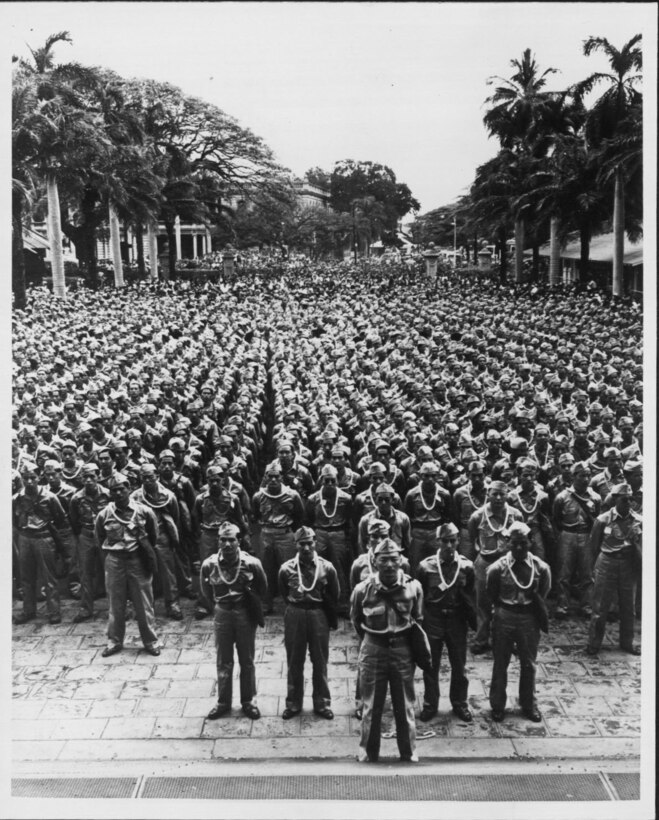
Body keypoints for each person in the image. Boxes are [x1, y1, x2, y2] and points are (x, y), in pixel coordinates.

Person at [350, 537, 423, 763]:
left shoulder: (413, 587)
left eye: (394, 559)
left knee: (405, 706)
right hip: (373, 649)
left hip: (402, 650)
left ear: (401, 560)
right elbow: (356, 620)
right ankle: (368, 753)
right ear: (375, 561)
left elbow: (418, 618)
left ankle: (408, 753)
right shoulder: (363, 589)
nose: (390, 565)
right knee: (371, 706)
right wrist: (374, 640)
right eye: (384, 560)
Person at [201, 522, 268, 720]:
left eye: (232, 540)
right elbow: (205, 592)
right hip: (222, 613)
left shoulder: (251, 563)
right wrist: (218, 607)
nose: (228, 544)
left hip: (244, 614)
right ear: (218, 541)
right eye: (224, 540)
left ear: (239, 541)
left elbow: (262, 588)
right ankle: (223, 702)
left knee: (247, 660)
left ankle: (248, 701)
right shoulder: (209, 564)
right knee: (224, 660)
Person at [486, 521, 551, 722]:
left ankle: (528, 704)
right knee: (500, 663)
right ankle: (497, 705)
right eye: (514, 544)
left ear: (531, 541)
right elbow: (491, 594)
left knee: (529, 664)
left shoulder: (541, 568)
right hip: (505, 615)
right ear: (508, 543)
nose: (519, 548)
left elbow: (543, 593)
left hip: (529, 618)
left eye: (523, 543)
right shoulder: (497, 568)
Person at [94, 474, 161, 657]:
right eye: (114, 490)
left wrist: (145, 555)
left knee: (144, 604)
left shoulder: (143, 511)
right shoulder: (105, 514)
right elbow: (99, 537)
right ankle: (114, 641)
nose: (119, 492)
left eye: (122, 488)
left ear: (129, 488)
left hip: (137, 560)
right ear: (110, 493)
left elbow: (153, 536)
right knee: (116, 604)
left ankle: (150, 641)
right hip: (115, 561)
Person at [416, 522, 476, 723]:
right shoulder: (426, 566)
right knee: (430, 664)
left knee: (459, 664)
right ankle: (430, 704)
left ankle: (459, 703)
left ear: (458, 541)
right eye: (445, 541)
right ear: (437, 541)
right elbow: (420, 594)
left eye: (453, 541)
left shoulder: (466, 566)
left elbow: (470, 595)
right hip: (433, 618)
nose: (449, 545)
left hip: (456, 620)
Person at [278, 526, 339, 720]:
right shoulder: (286, 568)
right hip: (295, 613)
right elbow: (283, 593)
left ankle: (322, 703)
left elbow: (334, 593)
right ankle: (294, 703)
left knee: (320, 660)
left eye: (309, 543)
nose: (306, 548)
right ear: (295, 545)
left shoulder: (326, 567)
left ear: (315, 543)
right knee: (294, 660)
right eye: (302, 544)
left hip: (317, 614)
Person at [467, 481, 524, 654]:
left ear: (508, 495)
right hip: (485, 562)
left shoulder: (516, 515)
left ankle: (509, 639)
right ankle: (482, 639)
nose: (498, 498)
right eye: (494, 494)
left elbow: (522, 539)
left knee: (509, 602)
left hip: (509, 564)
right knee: (483, 602)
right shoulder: (477, 516)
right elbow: (472, 537)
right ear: (488, 495)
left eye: (502, 494)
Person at [586, 484, 641, 656]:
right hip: (607, 562)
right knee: (600, 606)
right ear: (615, 499)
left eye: (631, 499)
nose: (628, 502)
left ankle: (627, 642)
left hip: (627, 564)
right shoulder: (603, 520)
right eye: (624, 499)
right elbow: (593, 546)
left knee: (628, 606)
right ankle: (594, 643)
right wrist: (592, 570)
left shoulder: (639, 520)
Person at [12, 461, 68, 625]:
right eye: (26, 478)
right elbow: (14, 520)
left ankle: (54, 611)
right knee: (26, 577)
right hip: (25, 538)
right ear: (22, 478)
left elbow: (60, 519)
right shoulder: (16, 498)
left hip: (44, 537)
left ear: (39, 477)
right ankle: (28, 610)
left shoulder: (49, 497)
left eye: (33, 478)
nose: (30, 481)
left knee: (49, 577)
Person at [552, 462, 601, 619]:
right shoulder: (562, 497)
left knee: (587, 573)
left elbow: (597, 518)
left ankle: (586, 605)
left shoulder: (595, 497)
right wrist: (565, 532)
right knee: (564, 573)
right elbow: (556, 518)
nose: (586, 479)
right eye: (582, 475)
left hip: (587, 535)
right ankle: (562, 605)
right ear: (574, 477)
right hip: (568, 534)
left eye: (588, 475)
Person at [253, 463, 305, 613]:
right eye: (270, 476)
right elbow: (256, 515)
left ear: (282, 477)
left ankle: (292, 600)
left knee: (289, 569)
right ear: (266, 477)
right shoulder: (259, 496)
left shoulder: (292, 495)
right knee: (266, 570)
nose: (274, 480)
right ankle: (266, 603)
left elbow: (299, 516)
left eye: (277, 476)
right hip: (266, 535)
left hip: (285, 534)